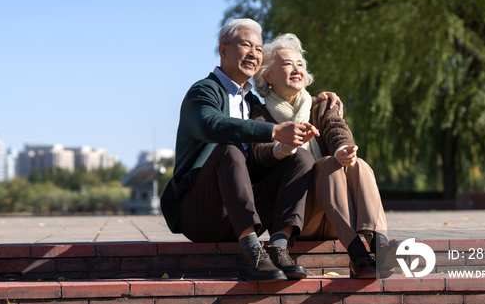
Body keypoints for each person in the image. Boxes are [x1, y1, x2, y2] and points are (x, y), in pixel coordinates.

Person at [161, 19, 339, 282]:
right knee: (229, 150)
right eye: (246, 45)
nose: (254, 54)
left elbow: (290, 97)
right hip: (203, 213)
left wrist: (323, 99)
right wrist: (274, 131)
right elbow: (210, 125)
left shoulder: (255, 103)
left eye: (258, 48)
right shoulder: (203, 91)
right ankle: (251, 252)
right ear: (223, 51)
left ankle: (278, 246)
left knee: (299, 155)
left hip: (246, 208)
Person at [250, 33, 396, 279]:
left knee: (357, 164)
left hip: (338, 218)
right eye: (287, 64)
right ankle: (359, 255)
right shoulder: (259, 114)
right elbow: (259, 154)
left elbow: (337, 130)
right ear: (268, 76)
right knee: (327, 164)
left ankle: (378, 244)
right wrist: (285, 145)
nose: (297, 69)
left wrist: (343, 151)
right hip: (298, 219)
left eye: (300, 65)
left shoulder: (320, 105)